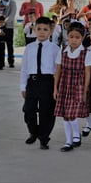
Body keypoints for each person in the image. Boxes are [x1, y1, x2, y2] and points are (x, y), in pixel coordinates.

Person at [54, 21, 91, 152]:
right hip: (64, 85)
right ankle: (68, 142)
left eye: (77, 37)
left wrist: (85, 89)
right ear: (67, 37)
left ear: (82, 38)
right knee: (65, 115)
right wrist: (55, 87)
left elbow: (88, 72)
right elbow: (58, 70)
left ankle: (76, 135)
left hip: (78, 86)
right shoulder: (63, 51)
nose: (74, 40)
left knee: (72, 113)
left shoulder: (86, 52)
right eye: (71, 37)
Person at [21, 17, 59, 150]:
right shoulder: (29, 47)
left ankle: (44, 138)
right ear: (34, 30)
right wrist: (23, 85)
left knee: (46, 112)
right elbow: (25, 68)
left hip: (47, 82)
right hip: (32, 81)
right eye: (39, 29)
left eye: (45, 29)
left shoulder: (55, 49)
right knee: (28, 109)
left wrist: (56, 87)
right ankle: (33, 132)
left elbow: (58, 69)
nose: (42, 32)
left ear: (50, 31)